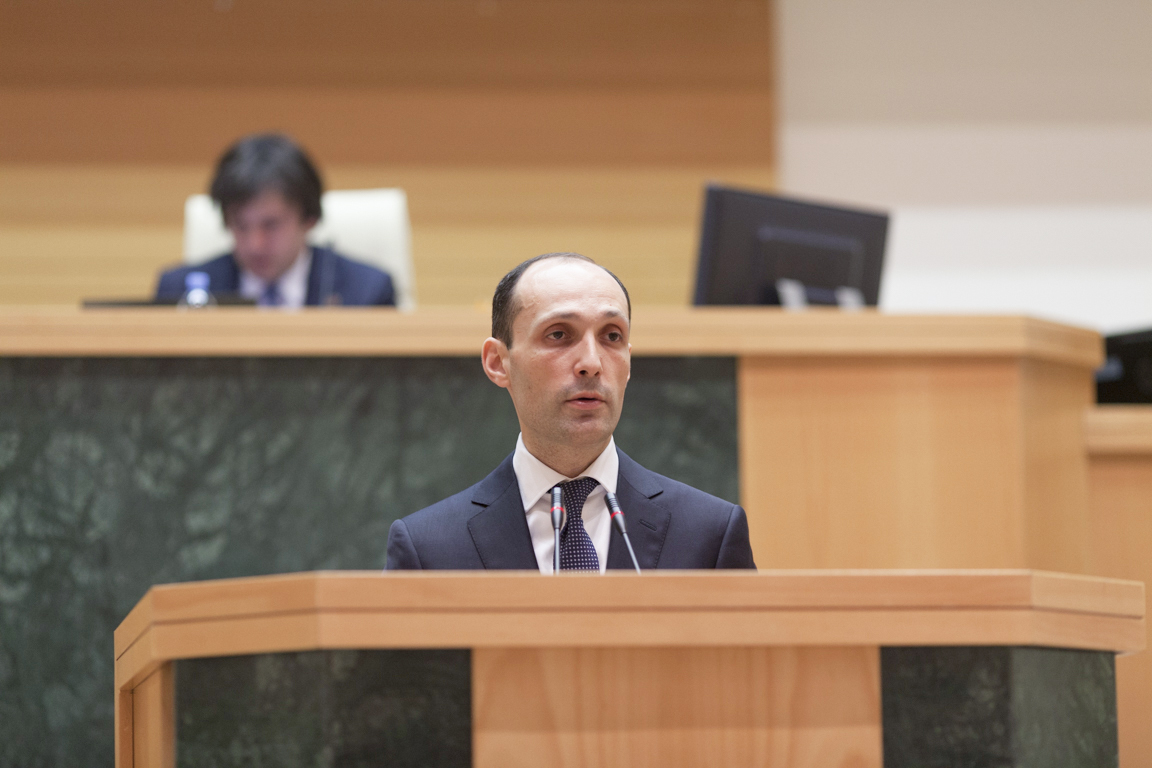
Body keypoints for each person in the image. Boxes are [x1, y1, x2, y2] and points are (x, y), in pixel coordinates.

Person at [386, 252, 756, 571]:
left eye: (612, 336)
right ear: (498, 362)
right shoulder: (429, 548)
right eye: (559, 334)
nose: (592, 363)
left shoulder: (709, 533)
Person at [155, 134, 395, 307]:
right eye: (241, 226)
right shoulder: (177, 293)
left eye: (271, 225)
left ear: (309, 219)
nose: (255, 244)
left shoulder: (367, 292)